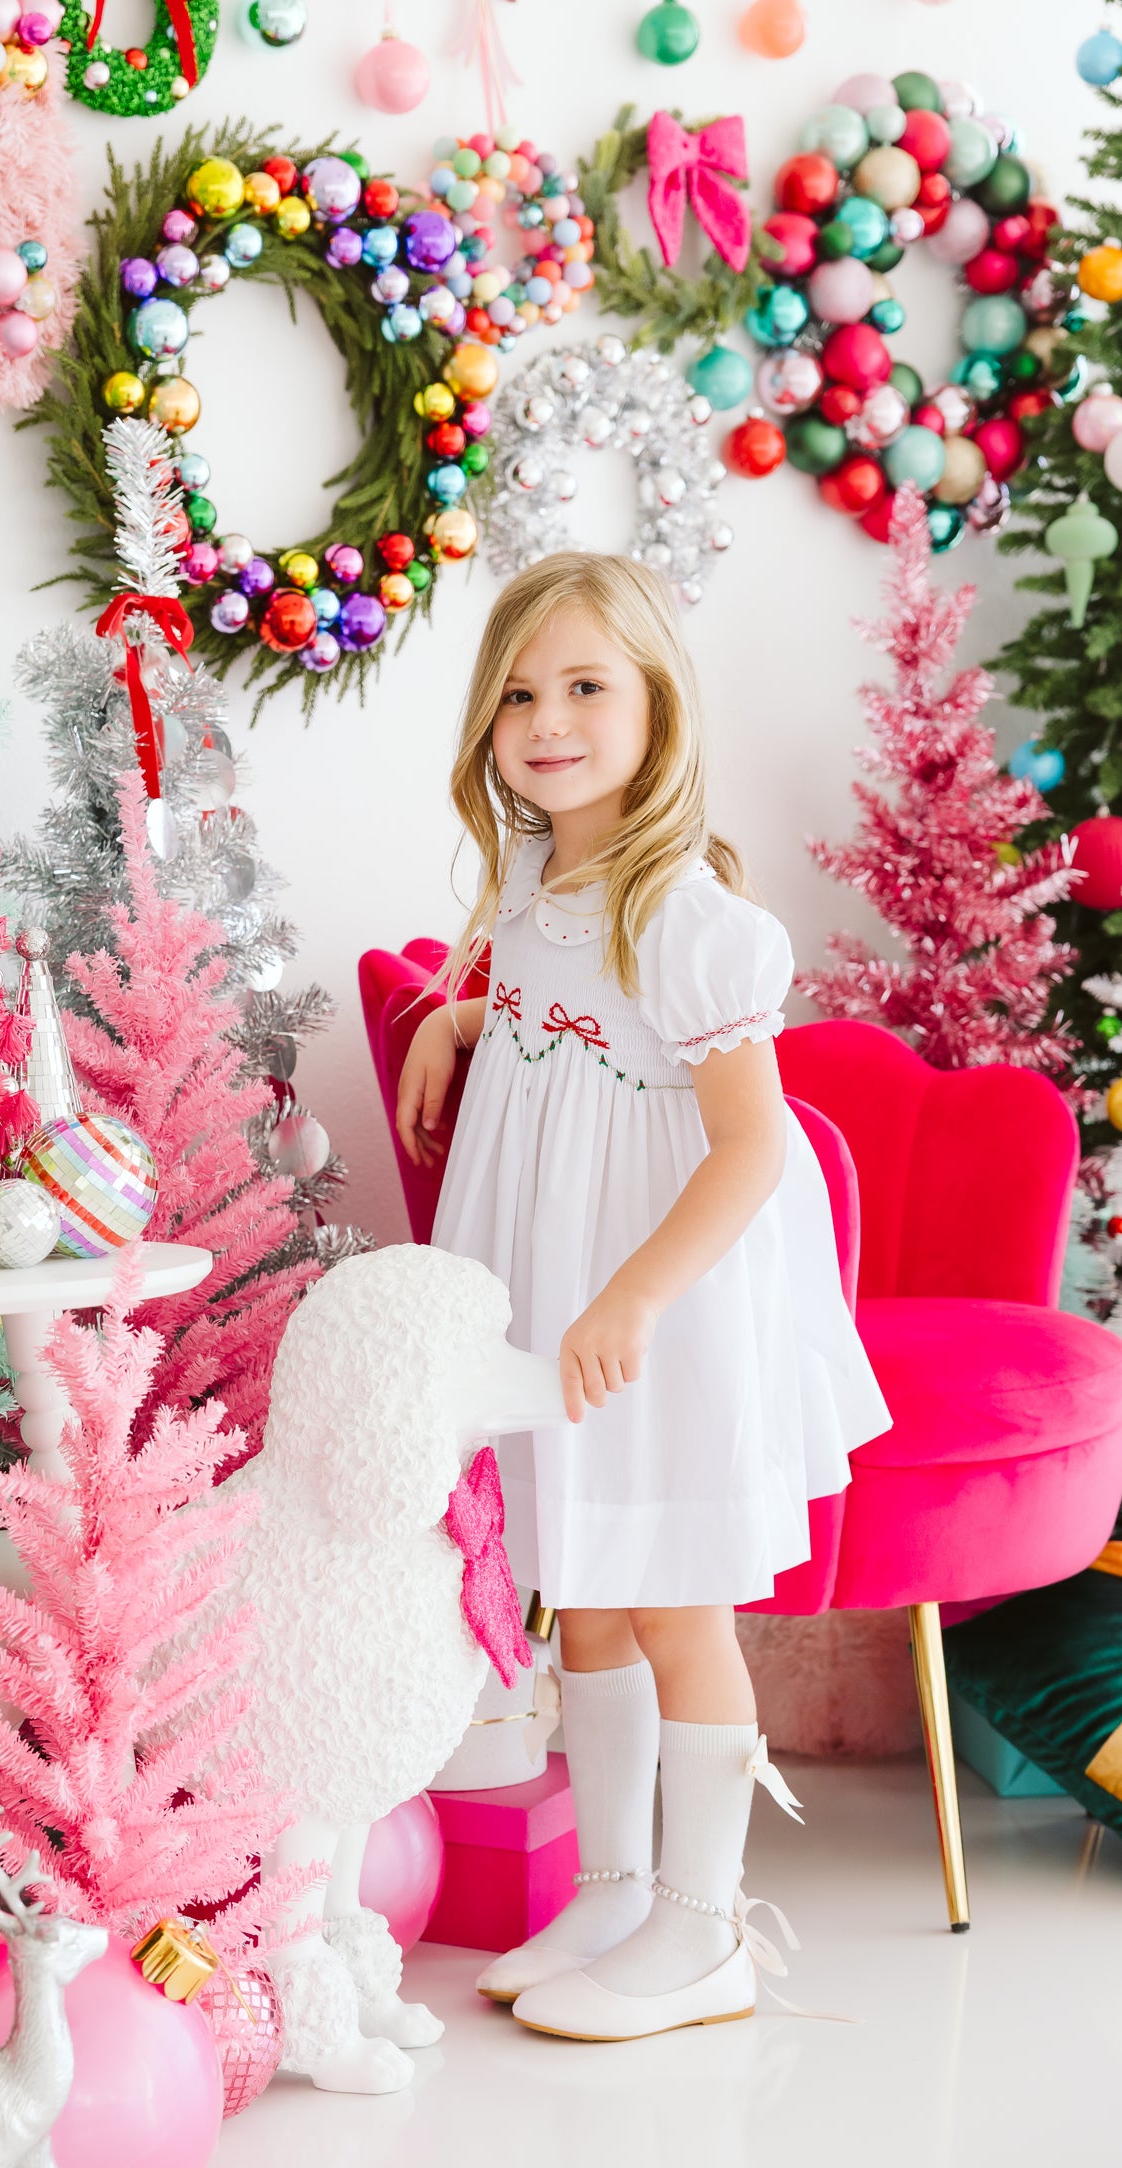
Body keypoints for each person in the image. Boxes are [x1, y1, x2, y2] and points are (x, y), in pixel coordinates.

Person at [396, 552, 890, 2042]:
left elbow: (749, 1146)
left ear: (655, 705)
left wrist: (627, 1301)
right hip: (560, 1292)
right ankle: (611, 1888)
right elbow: (563, 1014)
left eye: (586, 686)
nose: (549, 720)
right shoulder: (543, 881)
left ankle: (705, 1926)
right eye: (519, 696)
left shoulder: (692, 916)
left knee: (673, 1608)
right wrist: (454, 1012)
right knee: (585, 1602)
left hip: (657, 1302)